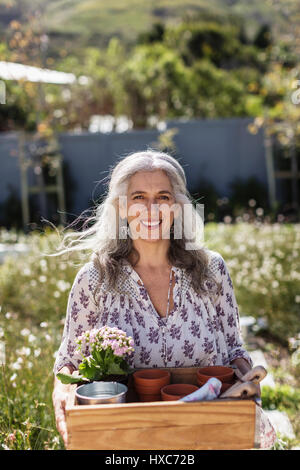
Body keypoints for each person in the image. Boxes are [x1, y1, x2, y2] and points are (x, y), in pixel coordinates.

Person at [52, 149, 276, 449]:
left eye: (163, 197)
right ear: (121, 207)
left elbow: (233, 347)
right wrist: (62, 393)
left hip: (208, 431)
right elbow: (69, 361)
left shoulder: (211, 270)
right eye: (139, 197)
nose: (152, 209)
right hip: (125, 438)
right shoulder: (95, 279)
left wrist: (246, 375)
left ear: (178, 207)